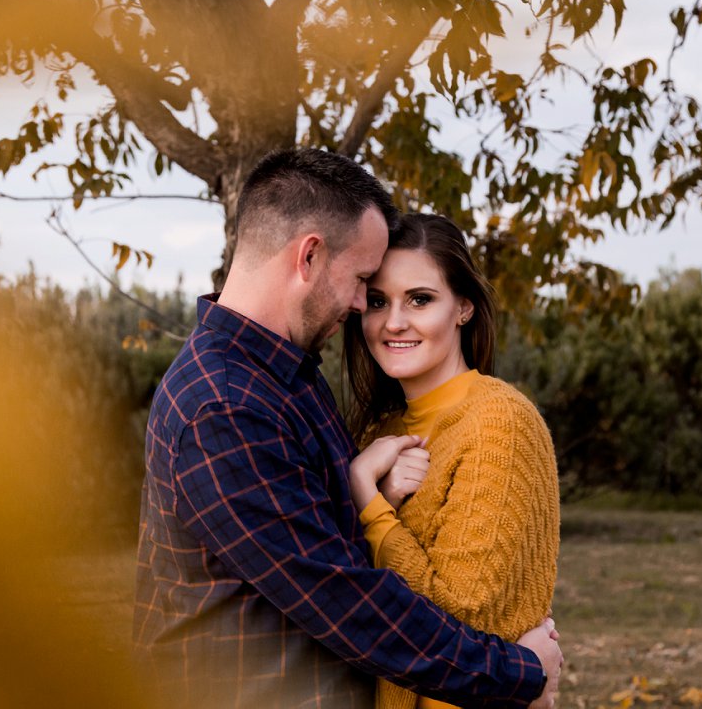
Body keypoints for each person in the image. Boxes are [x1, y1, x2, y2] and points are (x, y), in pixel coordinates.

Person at [133, 147, 562, 709]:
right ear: (309, 256)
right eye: (365, 282)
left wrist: (372, 496)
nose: (367, 308)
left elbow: (330, 539)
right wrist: (517, 675)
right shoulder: (225, 404)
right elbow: (341, 596)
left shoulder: (286, 376)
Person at [343, 213, 561, 709]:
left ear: (463, 308)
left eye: (420, 299)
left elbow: (458, 613)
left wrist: (367, 497)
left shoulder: (499, 422)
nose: (393, 322)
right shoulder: (379, 431)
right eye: (378, 301)